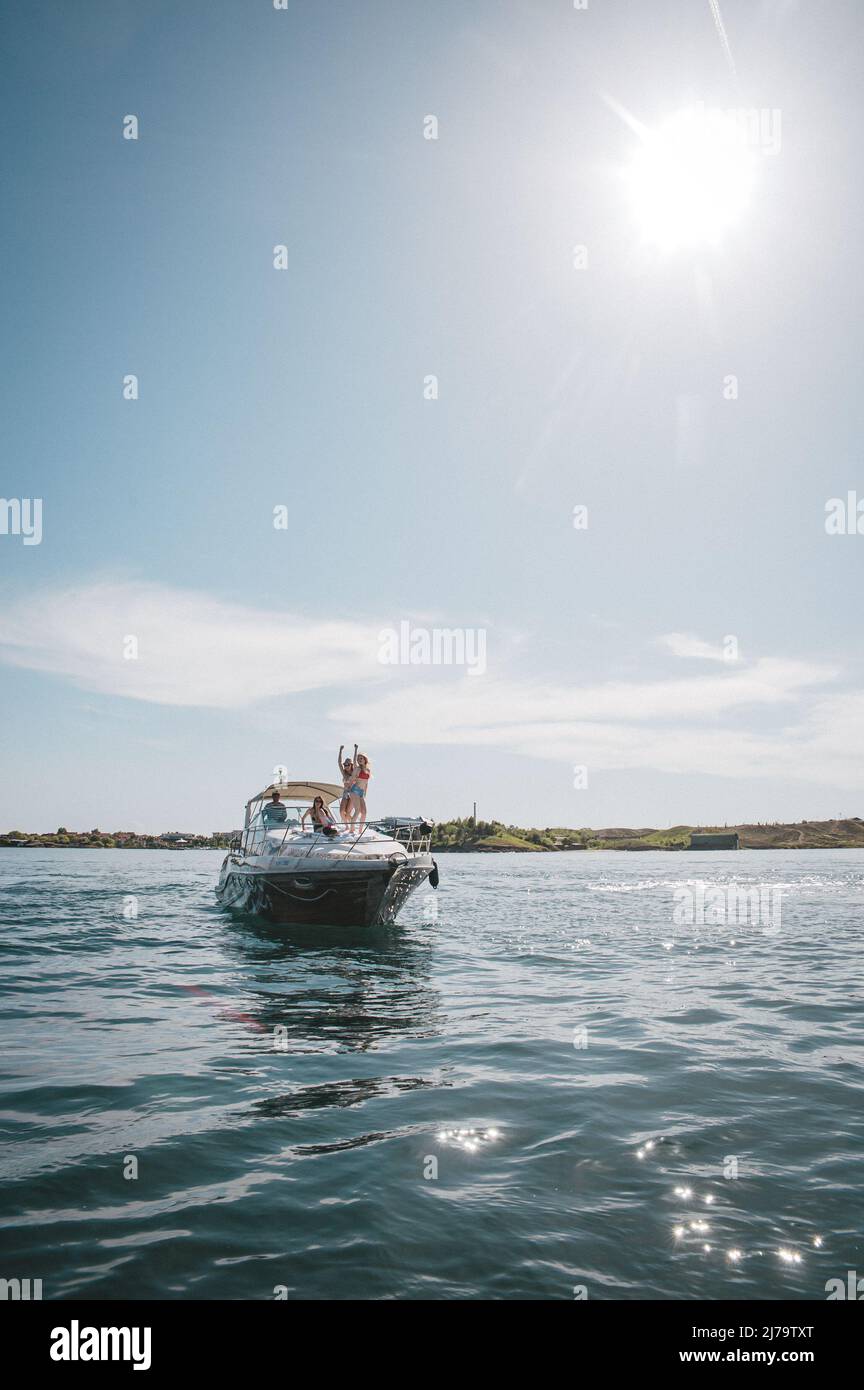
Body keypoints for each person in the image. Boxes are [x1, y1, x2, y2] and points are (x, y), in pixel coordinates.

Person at [337, 744, 357, 829]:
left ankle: (353, 825)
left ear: (351, 765)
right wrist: (340, 750)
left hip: (353, 793)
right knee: (342, 812)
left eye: (348, 764)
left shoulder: (354, 773)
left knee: (348, 813)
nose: (346, 766)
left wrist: (356, 749)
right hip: (345, 793)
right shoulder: (344, 774)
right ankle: (347, 827)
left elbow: (355, 761)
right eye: (345, 764)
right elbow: (339, 763)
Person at [352, 752, 372, 834]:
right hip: (355, 790)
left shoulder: (368, 770)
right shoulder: (357, 769)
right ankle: (351, 829)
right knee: (357, 810)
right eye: (358, 759)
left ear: (364, 759)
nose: (359, 760)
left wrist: (365, 794)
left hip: (361, 792)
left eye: (361, 758)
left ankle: (360, 831)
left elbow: (366, 783)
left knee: (364, 812)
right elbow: (352, 779)